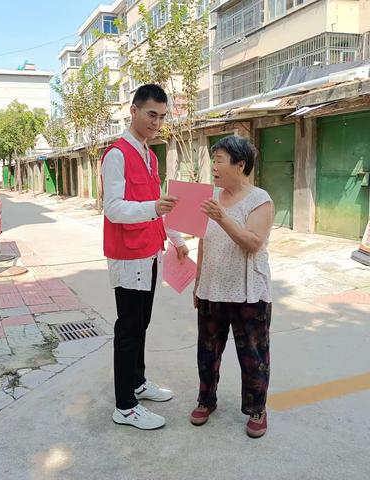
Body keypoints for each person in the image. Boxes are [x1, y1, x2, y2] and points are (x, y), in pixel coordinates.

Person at [101, 84, 189, 430]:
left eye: (162, 116)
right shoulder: (117, 154)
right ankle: (124, 406)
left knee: (142, 324)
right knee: (128, 328)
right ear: (133, 111)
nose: (157, 122)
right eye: (151, 114)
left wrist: (176, 238)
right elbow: (114, 209)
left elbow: (159, 205)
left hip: (151, 253)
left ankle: (137, 382)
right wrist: (154, 208)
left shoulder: (149, 156)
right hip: (128, 257)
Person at [190, 135, 274, 438]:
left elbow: (253, 242)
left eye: (220, 160)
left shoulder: (259, 199)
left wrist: (222, 217)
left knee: (253, 355)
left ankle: (257, 409)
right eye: (214, 160)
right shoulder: (211, 196)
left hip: (247, 293)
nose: (214, 166)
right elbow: (203, 240)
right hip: (212, 289)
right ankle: (205, 400)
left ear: (240, 165)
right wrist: (198, 283)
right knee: (207, 352)